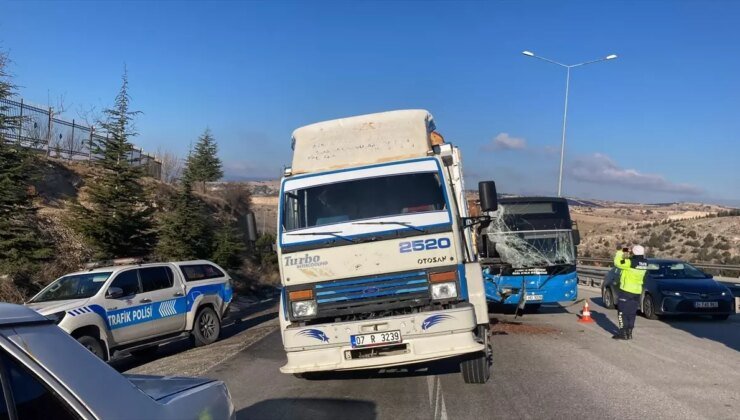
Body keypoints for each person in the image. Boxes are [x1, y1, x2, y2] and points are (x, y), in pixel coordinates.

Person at [612, 245, 648, 340]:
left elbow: (617, 262)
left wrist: (622, 251)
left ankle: (623, 333)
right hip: (637, 291)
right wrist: (629, 252)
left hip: (627, 290)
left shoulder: (629, 262)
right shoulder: (645, 263)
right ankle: (629, 332)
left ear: (633, 252)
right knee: (632, 312)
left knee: (622, 312)